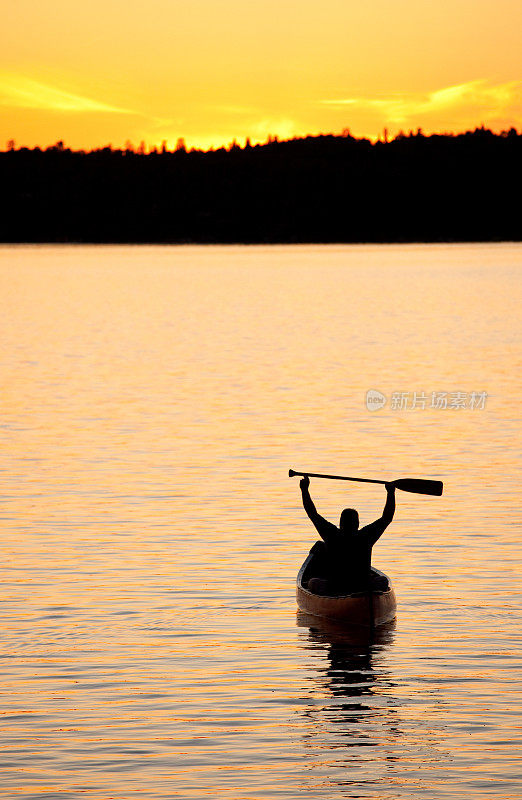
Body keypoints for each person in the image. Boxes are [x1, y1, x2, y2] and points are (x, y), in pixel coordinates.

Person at [299, 475, 396, 595]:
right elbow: (387, 517)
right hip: (362, 585)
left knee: (312, 582)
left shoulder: (332, 534)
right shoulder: (366, 536)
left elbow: (312, 513)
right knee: (383, 581)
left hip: (335, 586)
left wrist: (304, 490)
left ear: (340, 523)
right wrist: (390, 493)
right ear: (358, 524)